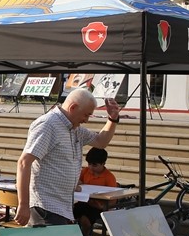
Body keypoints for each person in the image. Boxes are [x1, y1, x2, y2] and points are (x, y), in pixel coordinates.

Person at [14, 87, 121, 227]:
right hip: (45, 206)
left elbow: (101, 142)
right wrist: (23, 204)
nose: (86, 120)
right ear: (73, 107)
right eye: (86, 115)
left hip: (62, 207)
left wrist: (112, 119)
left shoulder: (75, 129)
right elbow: (23, 163)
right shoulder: (48, 125)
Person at [74, 147, 118, 236]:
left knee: (85, 220)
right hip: (84, 203)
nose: (91, 168)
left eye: (94, 165)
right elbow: (76, 181)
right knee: (68, 215)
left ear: (103, 164)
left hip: (98, 208)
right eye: (89, 164)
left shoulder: (109, 177)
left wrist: (102, 206)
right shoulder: (85, 171)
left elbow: (113, 200)